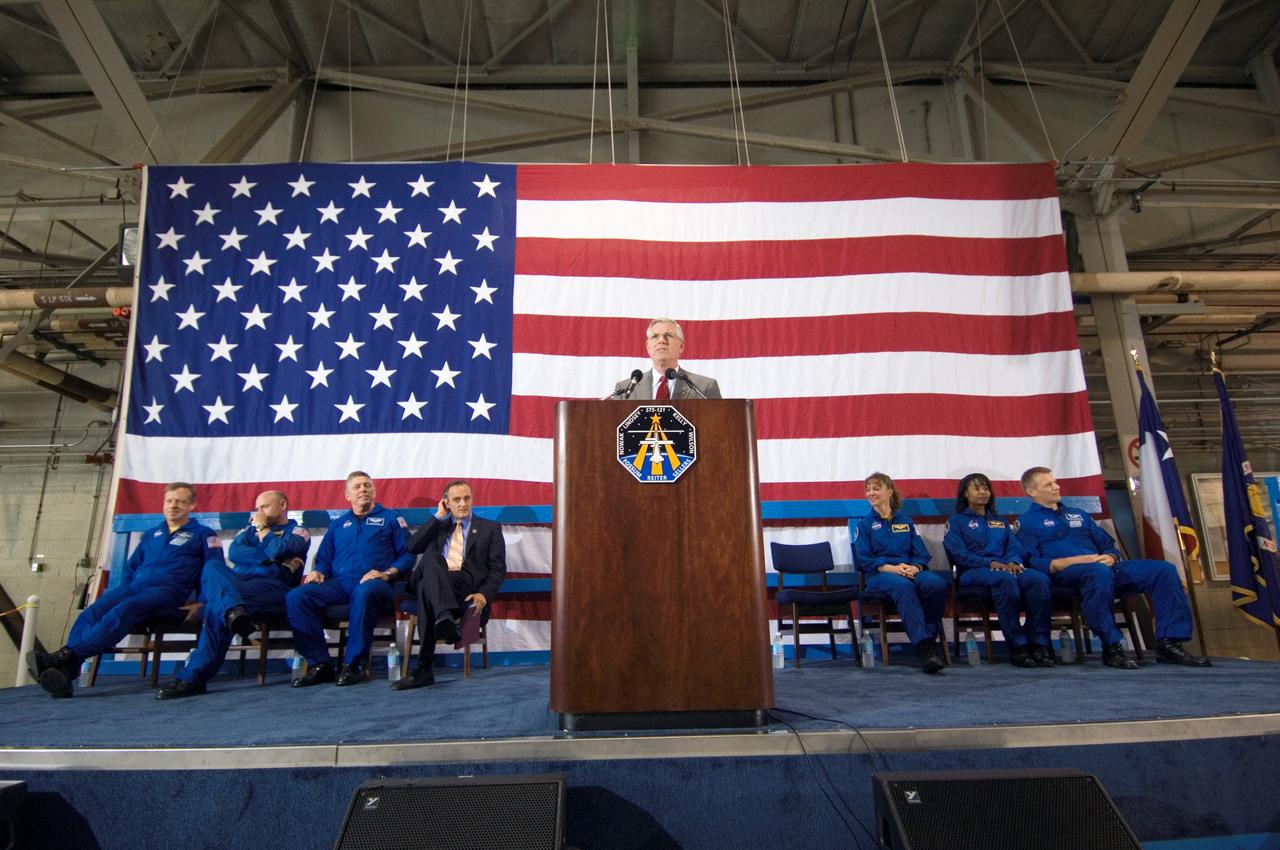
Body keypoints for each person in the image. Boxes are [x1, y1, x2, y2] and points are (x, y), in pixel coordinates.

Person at [28, 482, 222, 698]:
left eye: (180, 501)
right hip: (135, 588)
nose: (173, 506)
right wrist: (125, 589)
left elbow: (214, 571)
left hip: (169, 593)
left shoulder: (203, 534)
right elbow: (131, 567)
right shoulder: (152, 534)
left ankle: (67, 658)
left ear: (192, 505)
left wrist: (202, 602)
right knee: (93, 611)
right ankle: (67, 668)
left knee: (128, 608)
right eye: (169, 501)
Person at [1017, 466, 1211, 670]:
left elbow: (1108, 545)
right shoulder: (1026, 522)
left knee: (1163, 570)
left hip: (1104, 568)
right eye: (1049, 484)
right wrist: (1067, 562)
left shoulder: (1079, 515)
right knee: (1097, 572)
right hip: (1066, 575)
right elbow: (1030, 561)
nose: (1056, 487)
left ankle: (1169, 643)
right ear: (1031, 491)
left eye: (1055, 482)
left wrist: (1111, 556)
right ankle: (1112, 645)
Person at [156, 490, 310, 699]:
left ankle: (191, 679)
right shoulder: (248, 531)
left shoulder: (298, 531)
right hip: (239, 586)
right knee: (212, 566)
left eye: (264, 507)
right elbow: (235, 553)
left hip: (272, 587)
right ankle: (233, 613)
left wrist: (263, 531)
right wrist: (270, 558)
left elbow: (276, 550)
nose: (259, 512)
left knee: (215, 608)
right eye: (257, 509)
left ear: (282, 505)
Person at [286, 471, 412, 687]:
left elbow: (408, 554)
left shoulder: (391, 518)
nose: (363, 489)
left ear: (374, 491)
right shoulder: (338, 525)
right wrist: (318, 571)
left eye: (367, 486)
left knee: (363, 592)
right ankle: (320, 664)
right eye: (357, 487)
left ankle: (353, 665)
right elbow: (324, 558)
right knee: (296, 597)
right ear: (347, 495)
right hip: (340, 585)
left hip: (377, 585)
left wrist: (387, 573)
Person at [393, 480, 507, 690]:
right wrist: (438, 516)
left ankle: (424, 668)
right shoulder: (439, 526)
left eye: (467, 498)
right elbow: (412, 546)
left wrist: (483, 594)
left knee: (427, 591)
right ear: (446, 503)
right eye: (457, 500)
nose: (463, 504)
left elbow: (498, 569)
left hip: (463, 585)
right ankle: (444, 616)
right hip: (436, 576)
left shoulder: (490, 528)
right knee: (431, 559)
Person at [944, 473, 1053, 668]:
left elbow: (1014, 548)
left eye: (986, 488)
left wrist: (1012, 561)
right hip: (973, 572)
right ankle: (1016, 645)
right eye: (977, 488)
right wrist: (990, 563)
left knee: (1037, 579)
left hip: (1006, 568)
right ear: (966, 494)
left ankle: (1038, 643)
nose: (983, 492)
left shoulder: (1000, 521)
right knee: (1005, 580)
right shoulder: (956, 522)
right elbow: (959, 554)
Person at [853, 472, 948, 674]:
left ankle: (928, 637)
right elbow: (864, 559)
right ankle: (924, 649)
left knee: (936, 584)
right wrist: (892, 568)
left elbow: (921, 553)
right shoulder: (865, 524)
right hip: (882, 574)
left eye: (876, 488)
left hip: (910, 569)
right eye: (868, 489)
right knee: (904, 587)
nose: (871, 493)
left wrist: (916, 567)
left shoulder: (906, 522)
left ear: (889, 491)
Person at [613, 318, 722, 400]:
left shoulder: (704, 387)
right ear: (648, 346)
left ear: (681, 345)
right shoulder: (625, 389)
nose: (661, 341)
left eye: (668, 335)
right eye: (655, 336)